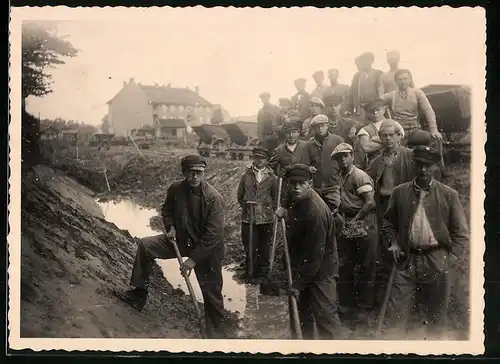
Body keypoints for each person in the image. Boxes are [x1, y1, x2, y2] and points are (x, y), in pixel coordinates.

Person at [114, 155, 231, 338]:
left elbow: (214, 234)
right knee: (146, 246)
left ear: (203, 173)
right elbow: (167, 210)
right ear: (184, 172)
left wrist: (193, 260)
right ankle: (138, 294)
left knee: (211, 293)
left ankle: (217, 335)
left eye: (198, 173)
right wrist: (171, 227)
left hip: (207, 250)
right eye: (190, 172)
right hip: (181, 241)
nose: (194, 177)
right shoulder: (175, 189)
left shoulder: (213, 198)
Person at [381, 146, 469, 339]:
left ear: (436, 167)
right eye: (419, 165)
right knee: (395, 317)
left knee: (435, 319)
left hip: (437, 260)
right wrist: (394, 243)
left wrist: (451, 258)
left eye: (428, 166)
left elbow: (461, 234)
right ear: (414, 164)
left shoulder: (448, 194)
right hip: (407, 260)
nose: (423, 170)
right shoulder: (399, 192)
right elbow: (388, 222)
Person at [275, 164, 344, 340]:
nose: (296, 187)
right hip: (303, 264)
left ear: (310, 183)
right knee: (302, 313)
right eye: (293, 183)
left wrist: (298, 284)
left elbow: (315, 256)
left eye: (301, 183)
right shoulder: (296, 195)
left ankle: (337, 354)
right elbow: (290, 196)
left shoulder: (316, 213)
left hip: (321, 270)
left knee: (325, 317)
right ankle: (306, 349)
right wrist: (283, 206)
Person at [331, 143, 378, 315]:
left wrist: (355, 219)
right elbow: (348, 198)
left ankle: (366, 305)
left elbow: (370, 203)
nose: (342, 159)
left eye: (345, 155)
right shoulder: (343, 175)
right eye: (339, 157)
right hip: (350, 220)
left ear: (352, 156)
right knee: (346, 263)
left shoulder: (359, 175)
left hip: (364, 222)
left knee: (366, 264)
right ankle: (347, 303)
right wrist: (338, 210)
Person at [237, 147, 279, 283]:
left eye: (262, 158)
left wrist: (268, 210)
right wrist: (247, 207)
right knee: (249, 245)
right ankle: (250, 271)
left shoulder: (272, 178)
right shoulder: (246, 175)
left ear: (266, 160)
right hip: (248, 217)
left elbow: (275, 198)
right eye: (257, 157)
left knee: (264, 246)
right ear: (253, 159)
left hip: (266, 218)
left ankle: (262, 273)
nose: (259, 160)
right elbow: (240, 195)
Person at [380, 69, 442, 141]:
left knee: (428, 139)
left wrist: (434, 129)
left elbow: (428, 110)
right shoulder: (392, 95)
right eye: (400, 79)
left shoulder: (417, 93)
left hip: (414, 130)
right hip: (398, 132)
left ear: (410, 79)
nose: (403, 82)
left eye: (405, 79)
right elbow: (377, 103)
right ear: (396, 81)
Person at [306, 114, 344, 213]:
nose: (320, 128)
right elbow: (306, 163)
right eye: (317, 126)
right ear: (313, 128)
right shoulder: (309, 144)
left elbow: (344, 161)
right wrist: (309, 168)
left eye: (322, 125)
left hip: (333, 185)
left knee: (336, 212)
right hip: (316, 187)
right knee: (317, 214)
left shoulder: (337, 140)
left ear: (327, 126)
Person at [355, 99, 405, 170]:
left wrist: (374, 139)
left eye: (377, 109)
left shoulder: (395, 124)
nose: (375, 113)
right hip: (375, 165)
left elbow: (400, 139)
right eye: (371, 111)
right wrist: (389, 142)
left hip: (396, 161)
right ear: (368, 113)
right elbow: (366, 147)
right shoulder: (365, 129)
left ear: (384, 109)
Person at [345, 52, 384, 120]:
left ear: (372, 61)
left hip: (374, 107)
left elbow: (381, 91)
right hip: (361, 109)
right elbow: (351, 93)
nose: (365, 62)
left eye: (368, 60)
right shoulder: (357, 76)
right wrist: (349, 109)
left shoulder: (378, 73)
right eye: (363, 60)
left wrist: (379, 105)